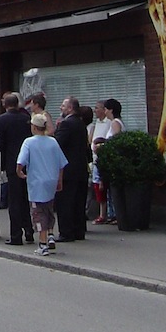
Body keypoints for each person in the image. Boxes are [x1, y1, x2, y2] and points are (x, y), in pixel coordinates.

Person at [17, 113, 68, 256]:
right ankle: (51, 234)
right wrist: (59, 180)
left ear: (34, 127)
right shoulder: (53, 142)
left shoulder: (29, 142)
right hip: (51, 180)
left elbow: (21, 162)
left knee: (38, 213)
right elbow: (61, 164)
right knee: (49, 209)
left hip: (36, 182)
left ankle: (42, 243)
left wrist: (19, 172)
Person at [0, 92, 33, 245]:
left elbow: (0, 143)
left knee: (14, 201)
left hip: (12, 163)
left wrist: (0, 163)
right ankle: (29, 231)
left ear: (5, 105)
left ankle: (16, 235)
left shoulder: (2, 119)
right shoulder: (26, 119)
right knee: (25, 198)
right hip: (27, 163)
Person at [54, 95, 90, 241]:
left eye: (63, 106)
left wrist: (56, 131)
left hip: (68, 170)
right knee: (78, 202)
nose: (60, 108)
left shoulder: (66, 124)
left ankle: (67, 232)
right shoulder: (81, 124)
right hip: (81, 169)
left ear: (70, 108)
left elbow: (57, 144)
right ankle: (79, 231)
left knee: (66, 202)